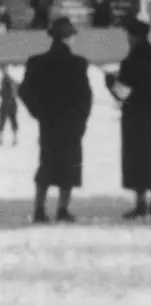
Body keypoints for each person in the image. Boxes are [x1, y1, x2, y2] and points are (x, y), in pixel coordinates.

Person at [17, 17, 92, 221]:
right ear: (68, 38)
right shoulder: (78, 64)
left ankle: (40, 208)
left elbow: (24, 90)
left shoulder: (37, 62)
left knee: (47, 164)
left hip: (49, 122)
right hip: (71, 123)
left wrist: (38, 112)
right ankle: (62, 209)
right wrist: (81, 120)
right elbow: (86, 97)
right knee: (69, 166)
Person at [107, 18, 151, 219]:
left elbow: (123, 93)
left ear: (133, 36)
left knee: (137, 158)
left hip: (135, 116)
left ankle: (141, 203)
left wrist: (110, 82)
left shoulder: (131, 62)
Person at [0, 65, 18, 146]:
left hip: (8, 104)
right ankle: (14, 139)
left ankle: (14, 139)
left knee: (5, 121)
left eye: (4, 70)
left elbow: (7, 92)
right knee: (10, 121)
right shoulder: (7, 80)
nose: (3, 71)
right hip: (9, 103)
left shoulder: (7, 80)